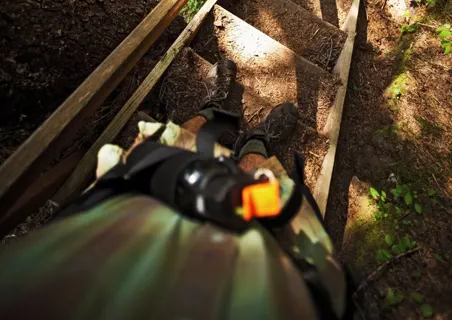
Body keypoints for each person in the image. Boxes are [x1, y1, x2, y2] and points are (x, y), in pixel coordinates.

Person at [0, 60, 349, 319]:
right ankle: (255, 144)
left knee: (161, 154)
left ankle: (215, 112)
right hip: (267, 286)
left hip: (88, 247)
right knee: (269, 195)